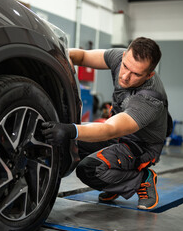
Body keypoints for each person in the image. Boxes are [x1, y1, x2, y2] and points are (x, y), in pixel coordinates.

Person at [41, 37, 168, 210]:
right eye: (125, 66)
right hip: (118, 134)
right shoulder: (120, 58)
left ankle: (141, 179)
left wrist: (70, 130)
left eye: (136, 74)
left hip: (140, 145)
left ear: (149, 75)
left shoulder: (149, 99)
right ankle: (115, 182)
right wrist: (65, 63)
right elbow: (82, 56)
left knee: (89, 169)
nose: (125, 76)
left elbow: (110, 129)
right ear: (124, 56)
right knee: (71, 144)